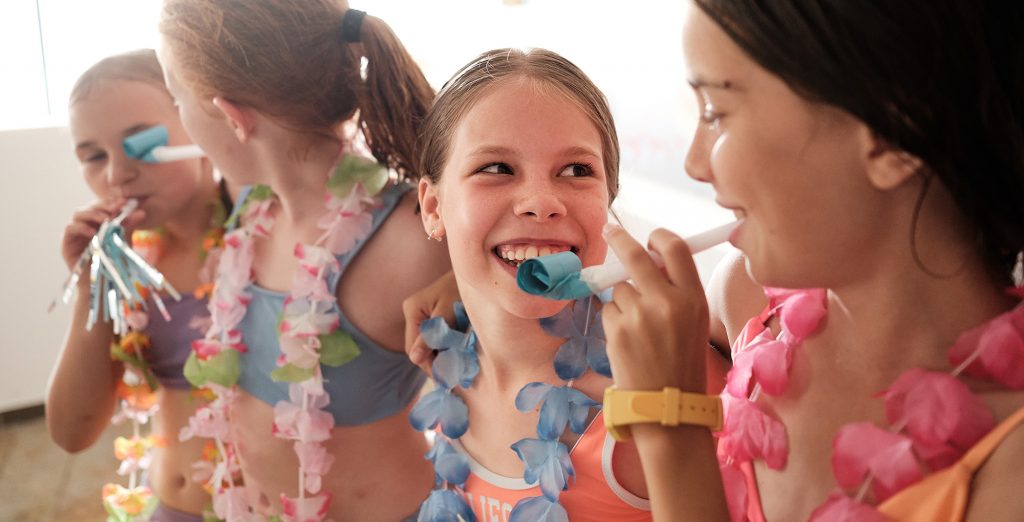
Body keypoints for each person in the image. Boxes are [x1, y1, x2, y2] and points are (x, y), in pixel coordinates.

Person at [601, 1, 1024, 520]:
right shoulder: (745, 301)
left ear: (893, 136)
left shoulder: (1011, 469)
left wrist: (669, 424)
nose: (693, 162)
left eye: (716, 113)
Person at [157, 1, 450, 519]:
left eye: (176, 98)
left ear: (232, 116)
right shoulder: (252, 209)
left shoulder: (412, 238)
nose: (179, 120)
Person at [412, 47, 651, 521]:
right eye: (496, 169)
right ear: (433, 207)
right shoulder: (442, 359)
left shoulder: (657, 383)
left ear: (609, 199)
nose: (541, 203)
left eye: (577, 170)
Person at [47, 49, 226, 521]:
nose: (115, 175)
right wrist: (91, 287)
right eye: (93, 156)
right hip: (168, 506)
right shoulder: (126, 266)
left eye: (139, 144)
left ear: (201, 121)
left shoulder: (264, 234)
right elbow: (71, 432)